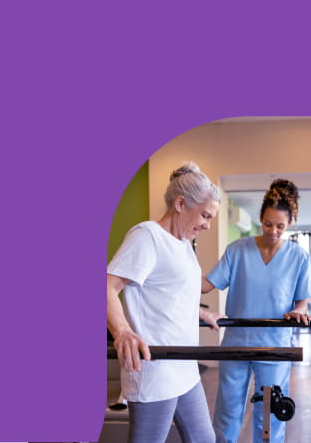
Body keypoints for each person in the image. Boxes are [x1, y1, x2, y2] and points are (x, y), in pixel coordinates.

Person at [107, 161, 224, 443]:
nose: (207, 225)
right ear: (181, 203)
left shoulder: (183, 244)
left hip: (184, 367)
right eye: (205, 216)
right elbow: (107, 286)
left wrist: (199, 312)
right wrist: (122, 331)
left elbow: (170, 293)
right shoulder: (147, 236)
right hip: (156, 370)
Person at [202, 178, 311, 443]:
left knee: (270, 415)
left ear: (290, 224)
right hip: (235, 345)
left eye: (281, 226)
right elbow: (205, 285)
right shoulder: (237, 250)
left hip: (274, 346)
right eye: (268, 224)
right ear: (260, 219)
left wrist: (298, 311)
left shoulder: (298, 257)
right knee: (227, 413)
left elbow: (302, 302)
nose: (273, 231)